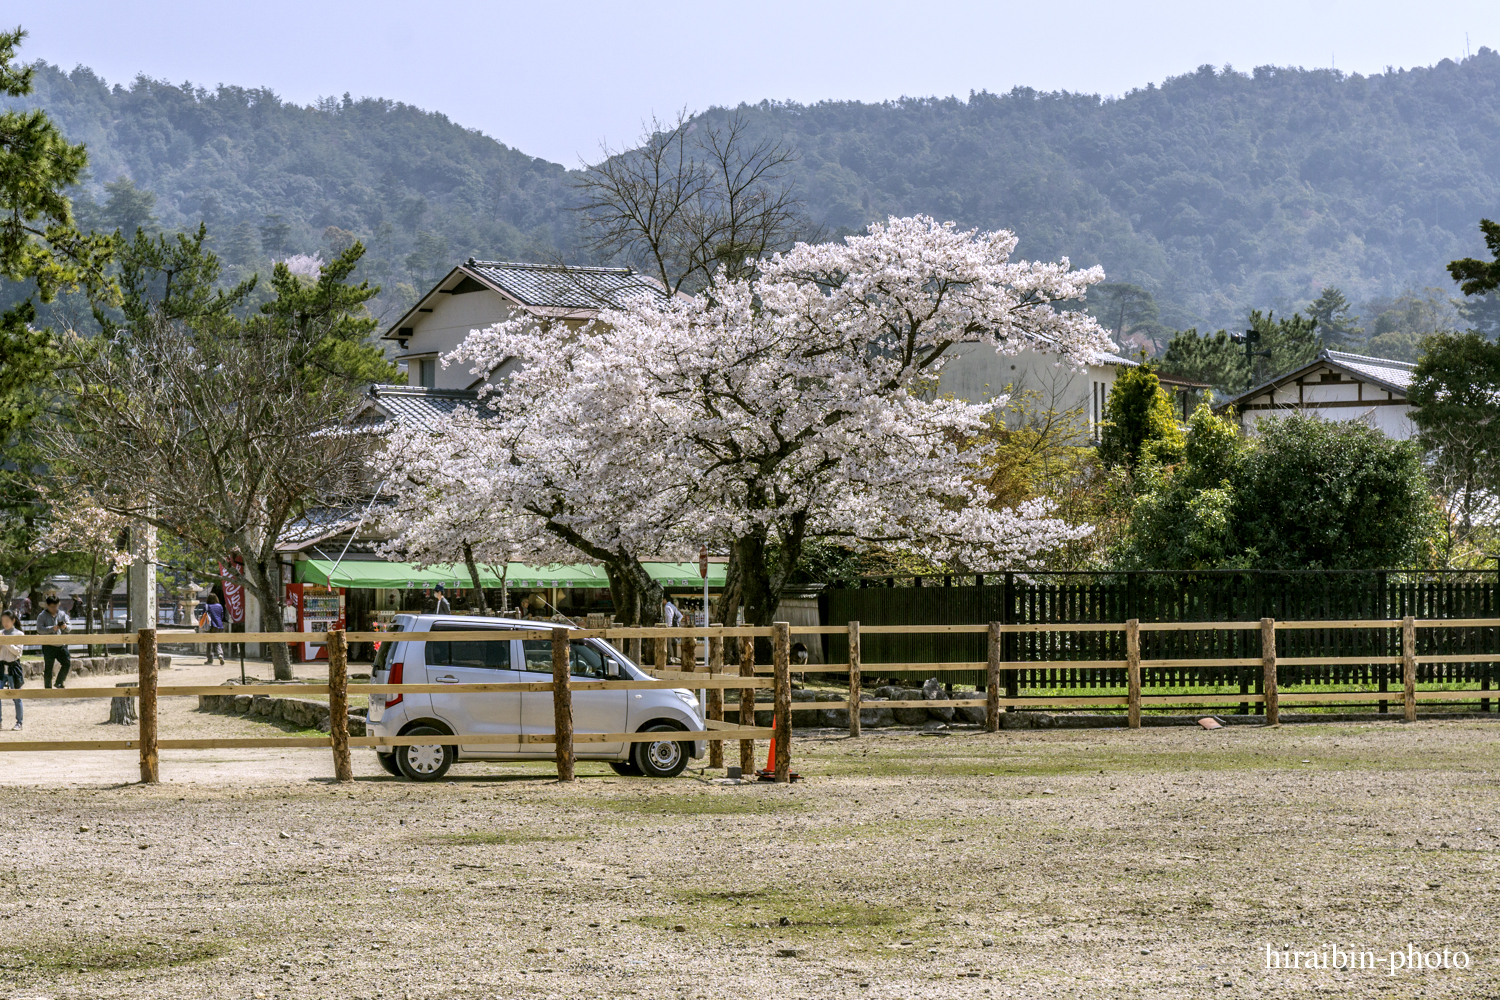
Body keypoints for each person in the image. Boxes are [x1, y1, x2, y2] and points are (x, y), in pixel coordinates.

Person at [36, 595, 71, 689]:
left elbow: (70, 627)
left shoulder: (62, 614)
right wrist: (52, 629)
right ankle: (47, 687)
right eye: (52, 607)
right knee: (48, 668)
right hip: (48, 645)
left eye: (56, 606)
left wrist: (65, 627)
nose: (54, 609)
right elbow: (39, 629)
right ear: (47, 606)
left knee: (67, 663)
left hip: (61, 644)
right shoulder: (42, 616)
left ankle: (59, 682)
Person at [0, 610, 24, 730]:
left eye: (7, 621)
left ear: (13, 621)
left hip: (13, 667)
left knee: (16, 696)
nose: (5, 623)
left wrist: (7, 642)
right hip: (0, 666)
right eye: (3, 621)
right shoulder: (0, 633)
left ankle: (19, 722)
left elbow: (18, 652)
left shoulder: (19, 634)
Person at [199, 592, 226, 665]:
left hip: (211, 626)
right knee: (217, 642)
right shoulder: (220, 606)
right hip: (219, 626)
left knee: (209, 643)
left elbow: (203, 615)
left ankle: (210, 659)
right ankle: (220, 655)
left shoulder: (207, 606)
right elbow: (222, 616)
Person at [662, 598, 684, 664]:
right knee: (670, 643)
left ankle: (670, 659)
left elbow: (669, 617)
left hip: (669, 627)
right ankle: (672, 658)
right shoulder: (672, 606)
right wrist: (677, 623)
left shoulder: (667, 607)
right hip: (674, 627)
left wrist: (669, 626)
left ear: (665, 599)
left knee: (668, 643)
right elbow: (680, 616)